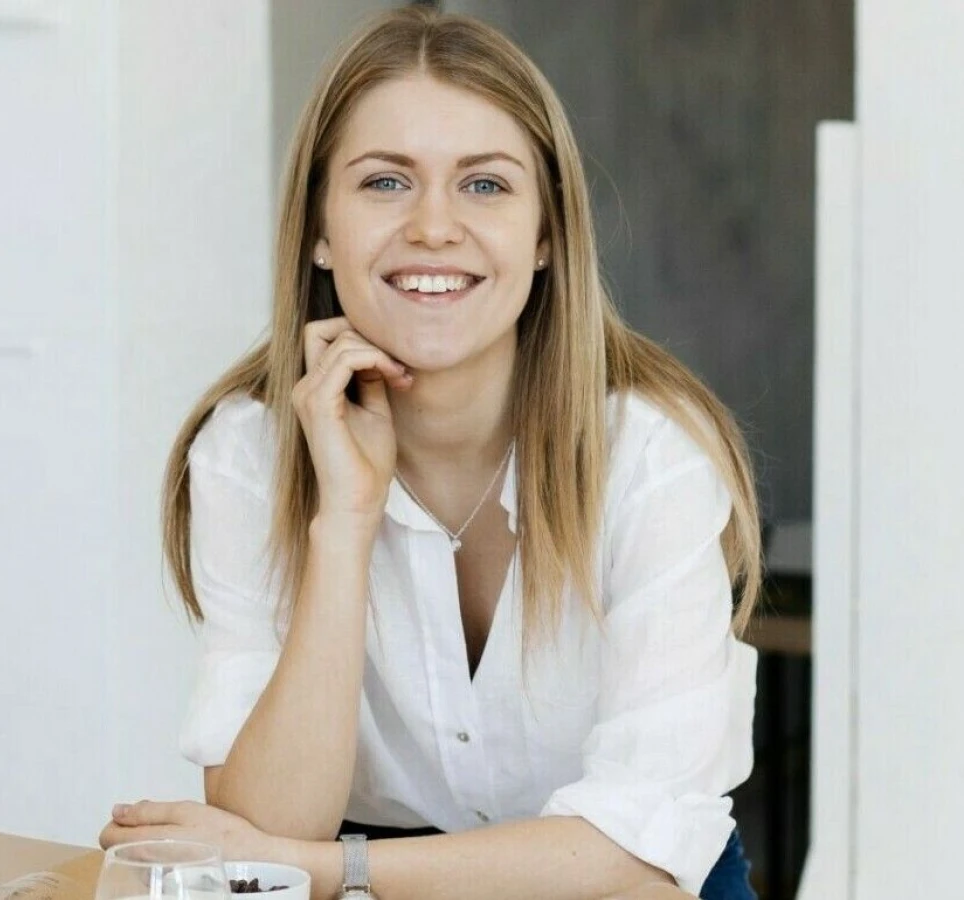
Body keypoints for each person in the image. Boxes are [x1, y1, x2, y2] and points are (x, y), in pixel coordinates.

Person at [99, 8, 760, 900]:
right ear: (320, 229)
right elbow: (271, 827)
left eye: (485, 185)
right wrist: (345, 522)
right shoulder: (249, 452)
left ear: (546, 236)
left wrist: (339, 870)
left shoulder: (650, 454)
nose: (434, 227)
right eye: (385, 182)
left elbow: (637, 847)